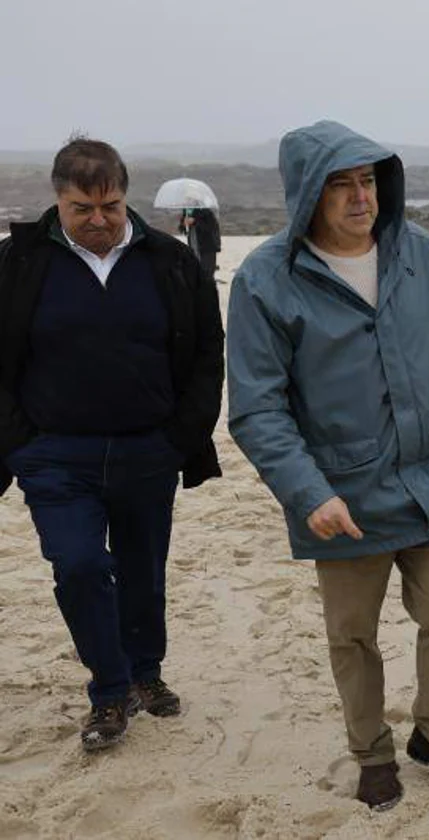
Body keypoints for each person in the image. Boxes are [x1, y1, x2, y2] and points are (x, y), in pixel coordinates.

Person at [226, 121, 429, 811]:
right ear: (307, 193)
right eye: (339, 184)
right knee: (353, 636)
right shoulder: (265, 280)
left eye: (367, 180)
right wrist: (307, 492)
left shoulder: (416, 251)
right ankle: (372, 752)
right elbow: (257, 409)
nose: (358, 197)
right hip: (340, 498)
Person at [0, 136, 224, 751]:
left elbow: (207, 353)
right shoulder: (17, 264)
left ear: (125, 198)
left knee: (142, 571)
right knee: (79, 565)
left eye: (111, 206)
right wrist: (20, 444)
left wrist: (180, 438)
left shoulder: (171, 262)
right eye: (82, 209)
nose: (98, 221)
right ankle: (109, 688)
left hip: (146, 449)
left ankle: (146, 672)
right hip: (52, 455)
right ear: (58, 199)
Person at [178, 207, 221, 283]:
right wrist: (183, 224)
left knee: (207, 273)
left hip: (207, 248)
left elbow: (210, 227)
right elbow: (183, 229)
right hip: (193, 247)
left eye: (189, 199)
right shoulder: (187, 212)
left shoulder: (206, 211)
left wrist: (195, 221)